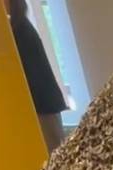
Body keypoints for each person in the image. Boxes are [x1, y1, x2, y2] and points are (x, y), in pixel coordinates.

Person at [6, 0, 68, 152]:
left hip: (43, 107)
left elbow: (34, 77)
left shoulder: (21, 31)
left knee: (54, 153)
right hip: (43, 106)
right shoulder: (19, 29)